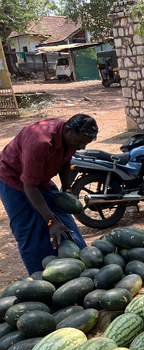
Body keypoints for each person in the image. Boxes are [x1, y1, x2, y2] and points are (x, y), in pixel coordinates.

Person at [0, 114, 98, 275]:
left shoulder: (70, 138)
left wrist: (67, 189)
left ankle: (83, 272)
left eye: (85, 144)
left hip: (40, 178)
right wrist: (51, 221)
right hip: (13, 179)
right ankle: (41, 280)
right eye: (79, 142)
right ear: (67, 130)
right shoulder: (40, 143)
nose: (81, 147)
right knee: (29, 231)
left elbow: (66, 159)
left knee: (65, 224)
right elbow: (29, 186)